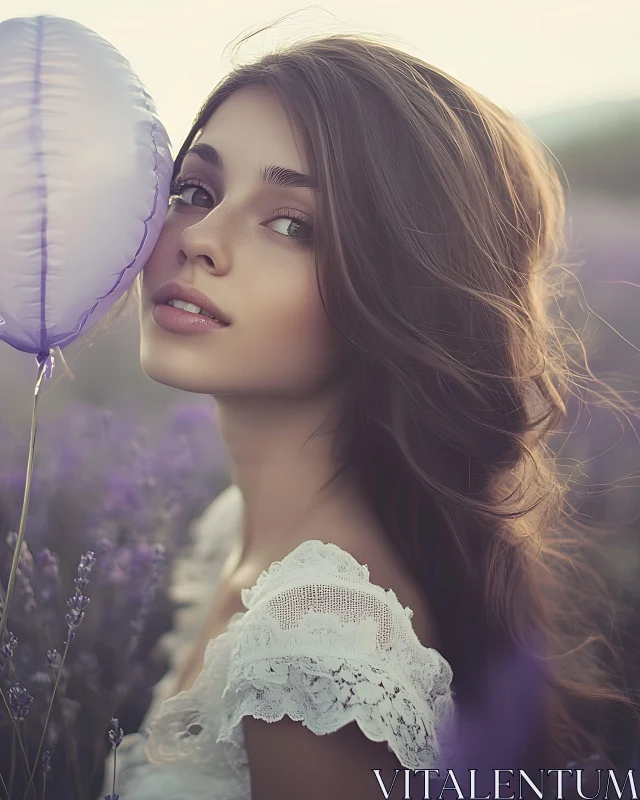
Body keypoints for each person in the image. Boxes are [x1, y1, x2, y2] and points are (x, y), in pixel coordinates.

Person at [100, 25, 640, 800]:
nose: (202, 240)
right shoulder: (237, 532)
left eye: (293, 225)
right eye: (195, 191)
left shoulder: (317, 649)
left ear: (400, 289)